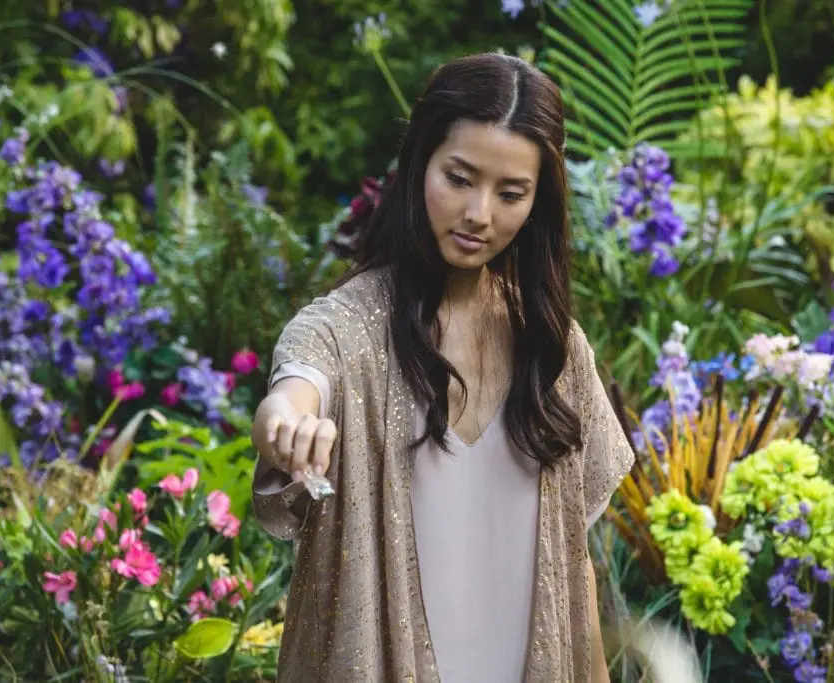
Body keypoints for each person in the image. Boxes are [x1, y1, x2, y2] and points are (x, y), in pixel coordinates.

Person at [251, 52, 634, 683]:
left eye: (512, 193)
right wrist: (288, 424)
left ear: (539, 201)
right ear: (419, 164)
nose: (480, 214)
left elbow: (576, 564)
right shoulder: (347, 329)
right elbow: (297, 385)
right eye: (459, 178)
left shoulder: (552, 345)